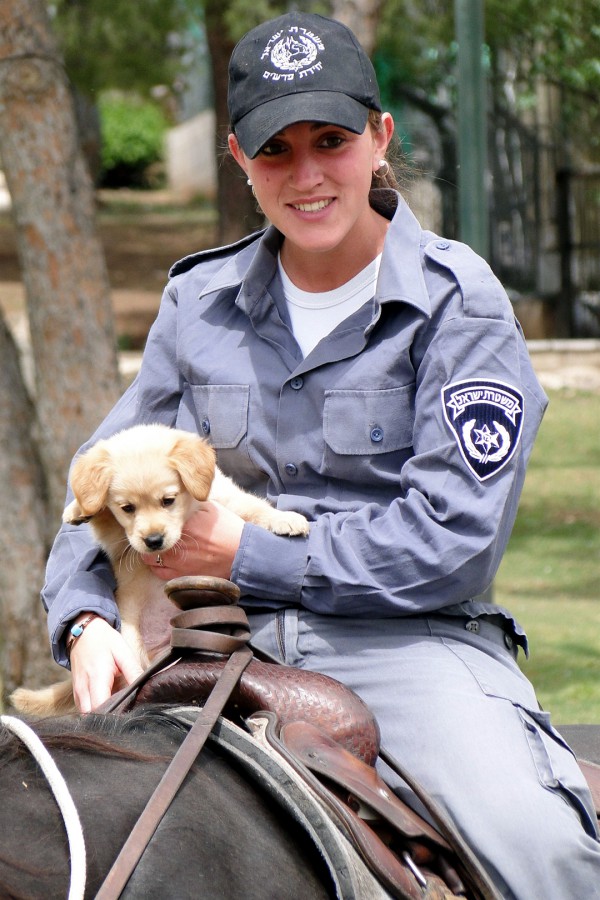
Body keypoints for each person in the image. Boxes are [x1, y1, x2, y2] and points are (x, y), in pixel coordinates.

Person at [41, 12, 599, 898]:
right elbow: (106, 472)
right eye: (276, 151)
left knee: (544, 848)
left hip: (409, 644)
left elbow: (452, 542)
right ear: (238, 157)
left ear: (380, 139)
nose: (306, 175)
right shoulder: (198, 301)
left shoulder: (461, 302)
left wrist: (245, 552)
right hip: (207, 633)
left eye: (331, 141)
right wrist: (84, 621)